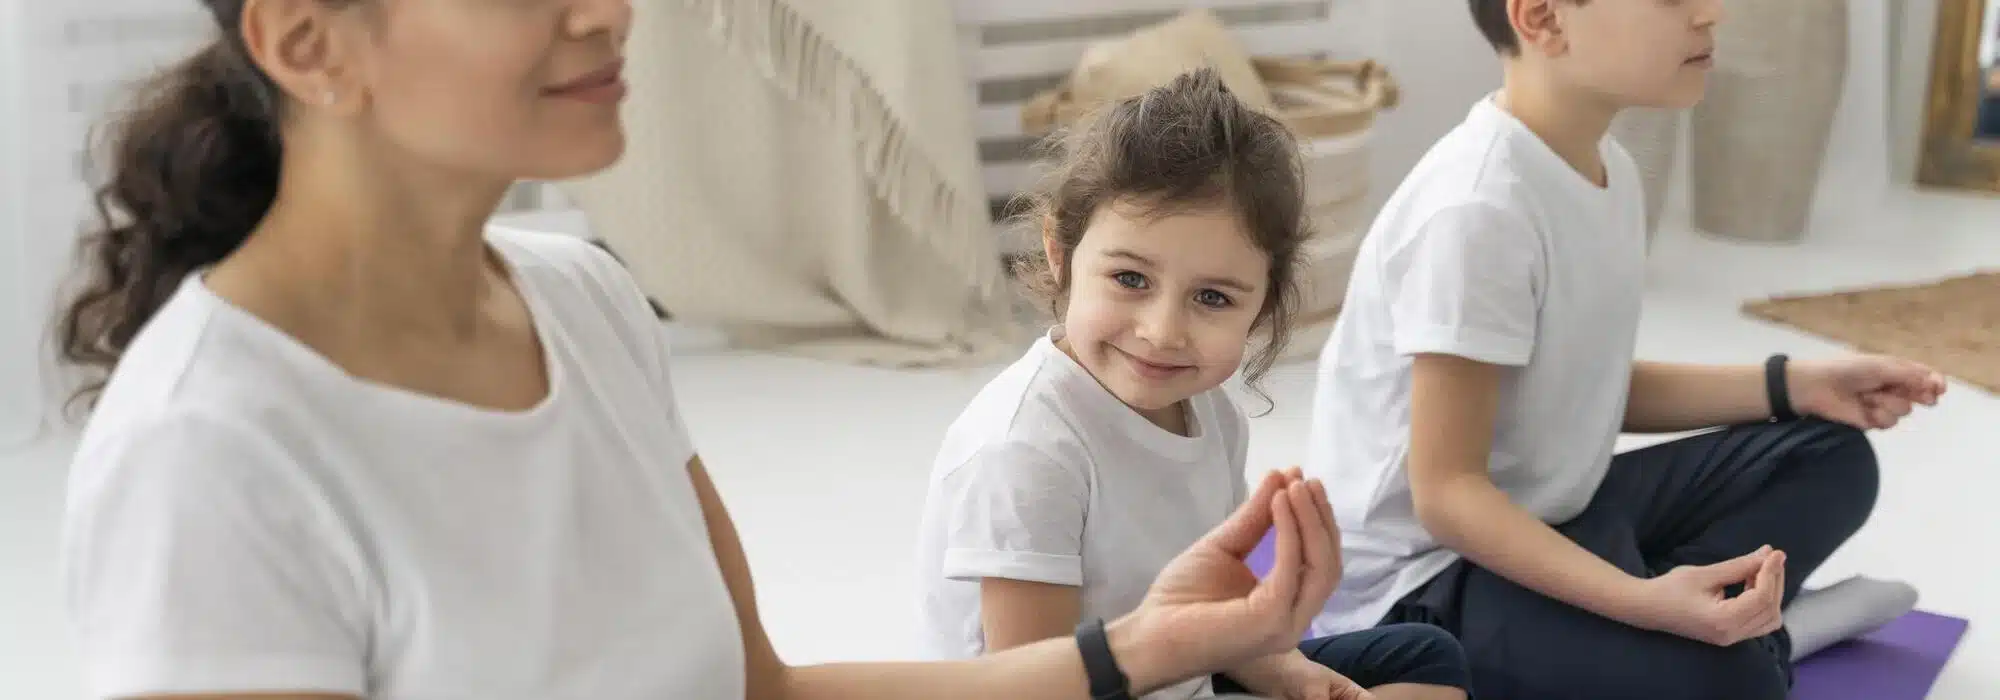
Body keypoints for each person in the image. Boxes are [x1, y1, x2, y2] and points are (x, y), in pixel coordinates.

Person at [52, 2, 1350, 699]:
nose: (605, 15)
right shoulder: (205, 458)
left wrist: (1141, 650)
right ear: (305, 42)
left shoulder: (584, 301)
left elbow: (760, 695)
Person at [1300, 1, 1949, 699]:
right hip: (1425, 581)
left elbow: (1587, 384)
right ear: (1544, 19)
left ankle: (1691, 619)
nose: (1711, 13)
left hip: (1553, 512)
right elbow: (1449, 496)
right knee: (1731, 684)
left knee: (1833, 456)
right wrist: (1643, 605)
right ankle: (1750, 634)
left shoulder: (1607, 166)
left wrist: (1793, 384)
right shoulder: (1477, 212)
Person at [911, 69, 1469, 700]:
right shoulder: (1026, 451)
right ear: (1061, 254)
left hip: (1181, 672)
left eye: (1212, 297)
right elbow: (1035, 683)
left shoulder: (1210, 410)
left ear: (1260, 307)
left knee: (1426, 656)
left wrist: (1291, 673)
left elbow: (1221, 611)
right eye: (1129, 279)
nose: (1162, 330)